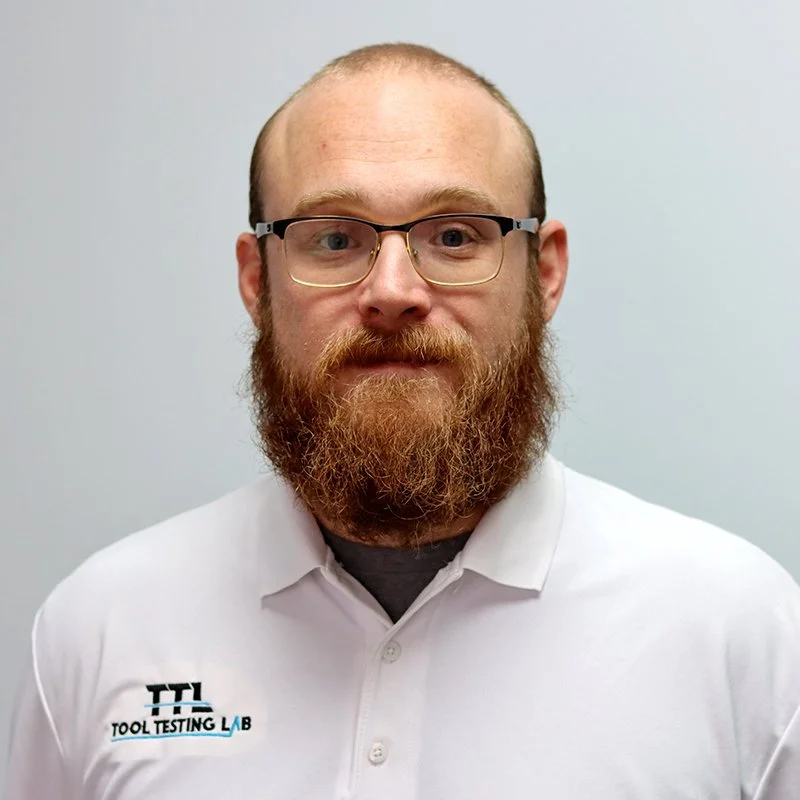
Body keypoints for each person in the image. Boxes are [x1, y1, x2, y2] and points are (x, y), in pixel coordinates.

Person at [4, 42, 799, 800]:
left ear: (545, 273)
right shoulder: (100, 628)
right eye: (335, 238)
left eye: (455, 236)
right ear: (257, 279)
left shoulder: (737, 632)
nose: (392, 290)